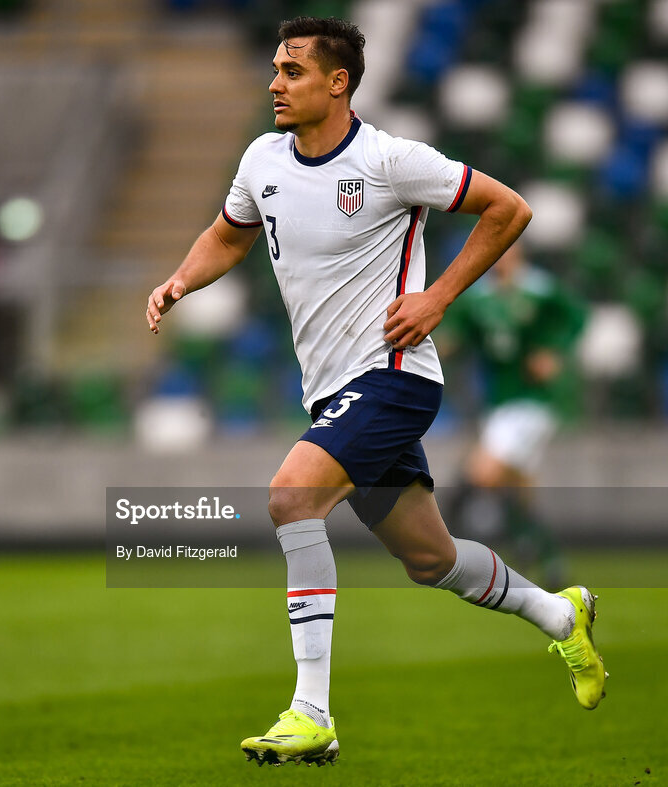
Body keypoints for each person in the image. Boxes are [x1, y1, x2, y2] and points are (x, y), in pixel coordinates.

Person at [145, 17, 606, 767]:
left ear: (338, 82)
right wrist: (179, 280)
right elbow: (229, 234)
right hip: (333, 394)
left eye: (291, 71)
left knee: (292, 496)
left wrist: (439, 297)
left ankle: (311, 710)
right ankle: (562, 613)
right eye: (274, 69)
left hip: (394, 380)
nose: (274, 83)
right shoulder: (263, 158)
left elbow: (509, 208)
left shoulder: (391, 160)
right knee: (431, 559)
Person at [441, 242, 588, 589]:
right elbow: (459, 335)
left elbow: (576, 317)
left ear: (518, 254)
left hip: (533, 403)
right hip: (499, 406)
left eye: (507, 252)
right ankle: (546, 558)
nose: (501, 259)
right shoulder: (479, 299)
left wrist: (554, 351)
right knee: (517, 491)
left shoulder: (539, 290)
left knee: (481, 473)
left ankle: (451, 552)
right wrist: (446, 344)